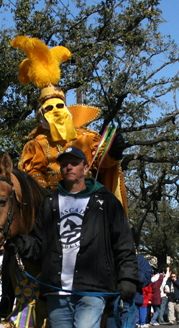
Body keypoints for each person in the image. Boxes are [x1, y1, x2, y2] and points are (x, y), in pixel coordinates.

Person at [10, 146, 138, 328]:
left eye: (74, 163)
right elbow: (40, 245)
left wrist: (128, 277)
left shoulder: (105, 201)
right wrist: (19, 243)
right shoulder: (50, 202)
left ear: (84, 168)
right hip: (57, 290)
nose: (68, 167)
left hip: (92, 288)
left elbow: (123, 241)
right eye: (64, 163)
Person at [13, 37, 127, 211]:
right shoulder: (36, 145)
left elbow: (102, 166)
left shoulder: (88, 138)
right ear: (41, 116)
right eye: (49, 108)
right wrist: (49, 197)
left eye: (60, 106)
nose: (56, 111)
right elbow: (32, 174)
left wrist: (113, 151)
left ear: (67, 109)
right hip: (51, 211)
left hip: (89, 207)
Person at [107, 252, 151, 328]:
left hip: (130, 300)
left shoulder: (139, 259)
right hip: (112, 299)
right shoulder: (111, 257)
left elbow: (146, 277)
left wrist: (129, 275)